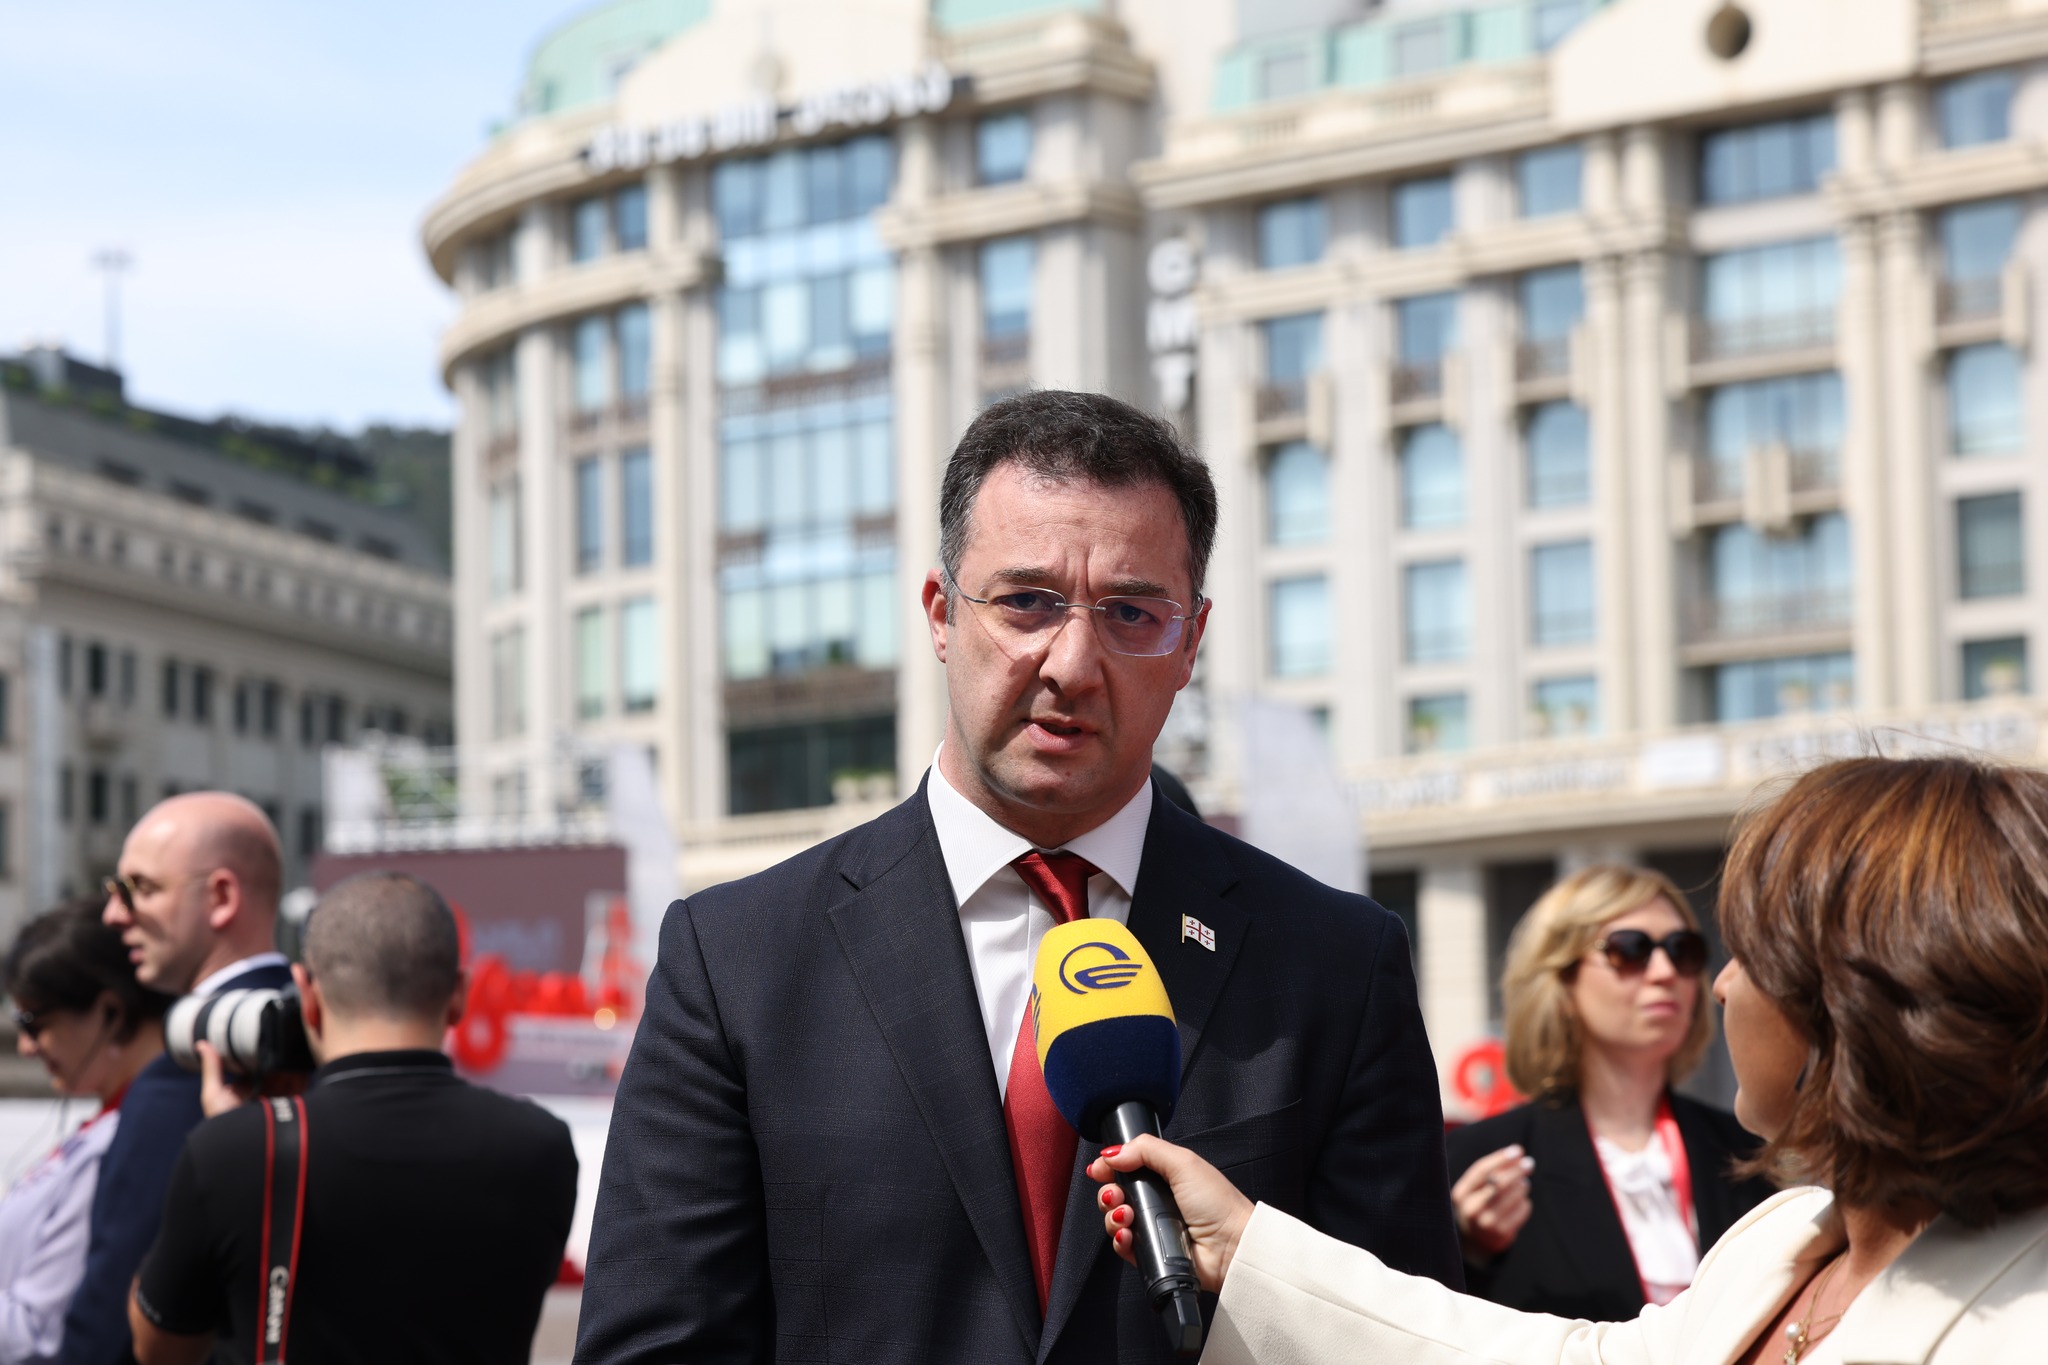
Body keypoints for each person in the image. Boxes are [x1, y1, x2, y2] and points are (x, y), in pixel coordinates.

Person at [576, 390, 1461, 1364]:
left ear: (1190, 645)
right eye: (1026, 603)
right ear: (940, 613)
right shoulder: (736, 962)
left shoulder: (1334, 965)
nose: (1071, 663)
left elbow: (1399, 1339)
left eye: (1132, 613)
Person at [1090, 755, 2048, 1364]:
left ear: (1859, 994)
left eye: (1736, 948)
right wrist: (1247, 1248)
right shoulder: (1788, 1236)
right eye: (1632, 950)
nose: (1712, 982)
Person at [127, 871, 578, 1365]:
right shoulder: (542, 1147)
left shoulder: (234, 1151)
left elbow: (159, 1348)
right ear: (459, 994)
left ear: (307, 995)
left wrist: (237, 1139)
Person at [1446, 865, 1773, 1319]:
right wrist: (1469, 1250)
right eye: (1630, 950)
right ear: (1561, 979)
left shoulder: (1748, 1151)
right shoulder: (1476, 1160)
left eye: (1683, 950)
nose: (1664, 972)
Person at [60, 793, 295, 1365]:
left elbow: (112, 1317)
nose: (114, 915)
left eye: (141, 889)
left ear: (221, 897)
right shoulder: (316, 1041)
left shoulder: (185, 1072)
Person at [0, 902, 173, 1365]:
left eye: (34, 1023)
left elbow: (39, 1331)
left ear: (111, 1012)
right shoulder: (114, 1125)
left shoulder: (123, 1142)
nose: (26, 1046)